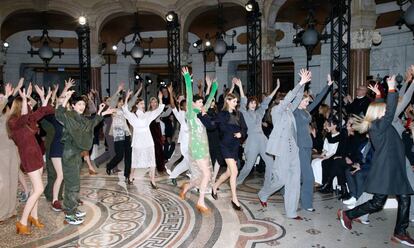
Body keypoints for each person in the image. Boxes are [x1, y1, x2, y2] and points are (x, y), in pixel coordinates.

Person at [338, 75, 414, 247]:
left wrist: (379, 94)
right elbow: (390, 111)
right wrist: (392, 88)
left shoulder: (379, 124)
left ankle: (400, 232)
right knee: (377, 202)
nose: (386, 109)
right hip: (386, 168)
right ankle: (348, 215)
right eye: (383, 108)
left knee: (404, 198)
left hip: (394, 166)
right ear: (379, 113)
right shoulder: (377, 126)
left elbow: (384, 110)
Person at [258, 68, 311, 220]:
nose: (288, 103)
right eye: (284, 101)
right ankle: (263, 193)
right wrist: (299, 83)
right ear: (279, 102)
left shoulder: (289, 111)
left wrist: (303, 84)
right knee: (281, 180)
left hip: (293, 148)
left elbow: (297, 96)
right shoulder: (276, 111)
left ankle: (292, 212)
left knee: (294, 180)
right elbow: (289, 99)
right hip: (281, 150)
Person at [56, 90, 114, 225]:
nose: (82, 106)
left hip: (76, 155)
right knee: (71, 185)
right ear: (74, 106)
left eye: (83, 104)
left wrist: (101, 113)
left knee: (75, 183)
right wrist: (67, 98)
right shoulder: (69, 115)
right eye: (79, 104)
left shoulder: (81, 118)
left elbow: (91, 124)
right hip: (69, 154)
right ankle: (69, 214)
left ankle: (73, 208)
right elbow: (59, 113)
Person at [9, 86, 54, 234]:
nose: (29, 106)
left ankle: (34, 217)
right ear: (20, 107)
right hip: (28, 157)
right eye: (26, 105)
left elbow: (45, 111)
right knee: (39, 189)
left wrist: (44, 98)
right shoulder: (13, 122)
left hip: (37, 154)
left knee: (36, 188)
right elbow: (22, 119)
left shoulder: (28, 120)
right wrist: (23, 97)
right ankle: (22, 222)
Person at [179, 67, 218, 213]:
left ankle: (186, 187)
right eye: (199, 102)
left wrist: (213, 87)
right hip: (196, 147)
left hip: (204, 146)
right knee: (207, 174)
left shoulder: (202, 112)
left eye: (202, 102)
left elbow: (209, 101)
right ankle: (201, 201)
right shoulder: (190, 113)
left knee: (201, 175)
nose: (202, 104)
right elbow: (189, 96)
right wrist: (188, 80)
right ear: (194, 104)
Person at [294, 75, 332, 211]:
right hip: (299, 148)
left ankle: (287, 192)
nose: (307, 103)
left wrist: (327, 86)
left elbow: (316, 102)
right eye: (304, 101)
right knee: (309, 177)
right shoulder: (294, 112)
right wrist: (301, 84)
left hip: (307, 148)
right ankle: (307, 204)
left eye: (306, 101)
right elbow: (293, 97)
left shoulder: (306, 112)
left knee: (299, 176)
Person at [235, 78, 279, 186]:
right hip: (252, 141)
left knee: (270, 162)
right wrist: (240, 87)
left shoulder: (259, 113)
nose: (254, 104)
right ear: (248, 104)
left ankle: (268, 183)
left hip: (263, 140)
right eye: (252, 103)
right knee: (249, 166)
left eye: (255, 103)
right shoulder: (244, 112)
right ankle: (236, 182)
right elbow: (243, 100)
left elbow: (266, 102)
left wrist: (276, 88)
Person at [210, 91, 248, 211]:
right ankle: (234, 199)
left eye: (236, 101)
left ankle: (215, 186)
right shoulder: (222, 114)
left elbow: (245, 129)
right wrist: (204, 115)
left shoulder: (239, 115)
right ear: (227, 101)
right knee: (235, 171)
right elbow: (212, 124)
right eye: (234, 101)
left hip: (235, 146)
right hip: (225, 145)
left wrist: (241, 133)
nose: (236, 104)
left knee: (229, 172)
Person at [122, 90, 165, 188]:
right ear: (137, 105)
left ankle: (152, 181)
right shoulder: (133, 116)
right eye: (141, 103)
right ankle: (130, 176)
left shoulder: (147, 115)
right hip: (137, 141)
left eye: (144, 103)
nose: (143, 105)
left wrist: (160, 99)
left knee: (152, 161)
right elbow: (125, 110)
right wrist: (126, 98)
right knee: (135, 161)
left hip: (148, 141)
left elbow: (158, 110)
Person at [0, 83, 20, 223]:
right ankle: (2, 212)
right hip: (2, 152)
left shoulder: (10, 117)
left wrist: (21, 93)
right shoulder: (1, 117)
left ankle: (11, 210)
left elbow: (31, 104)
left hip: (14, 151)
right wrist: (6, 96)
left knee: (13, 180)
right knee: (3, 183)